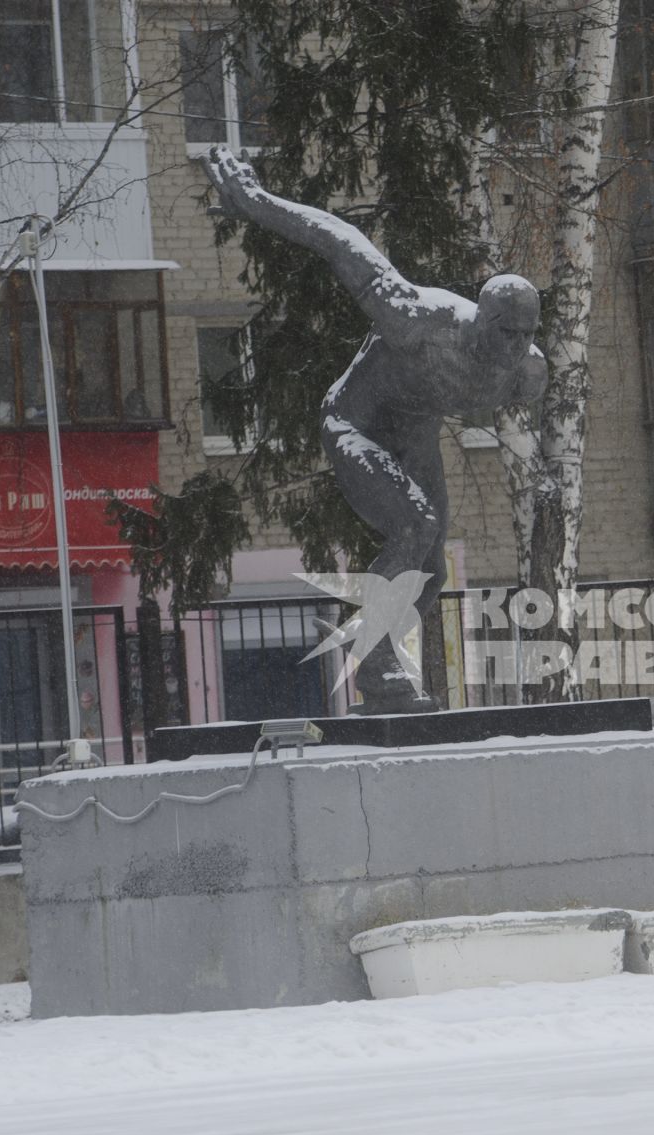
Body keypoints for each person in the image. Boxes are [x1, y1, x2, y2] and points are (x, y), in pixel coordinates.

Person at [201, 146, 547, 712]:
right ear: (481, 319)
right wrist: (257, 202)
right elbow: (339, 240)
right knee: (415, 524)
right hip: (354, 424)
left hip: (413, 435)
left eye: (525, 333)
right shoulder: (419, 320)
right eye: (505, 332)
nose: (514, 347)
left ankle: (377, 655)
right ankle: (377, 659)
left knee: (430, 569)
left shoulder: (527, 373)